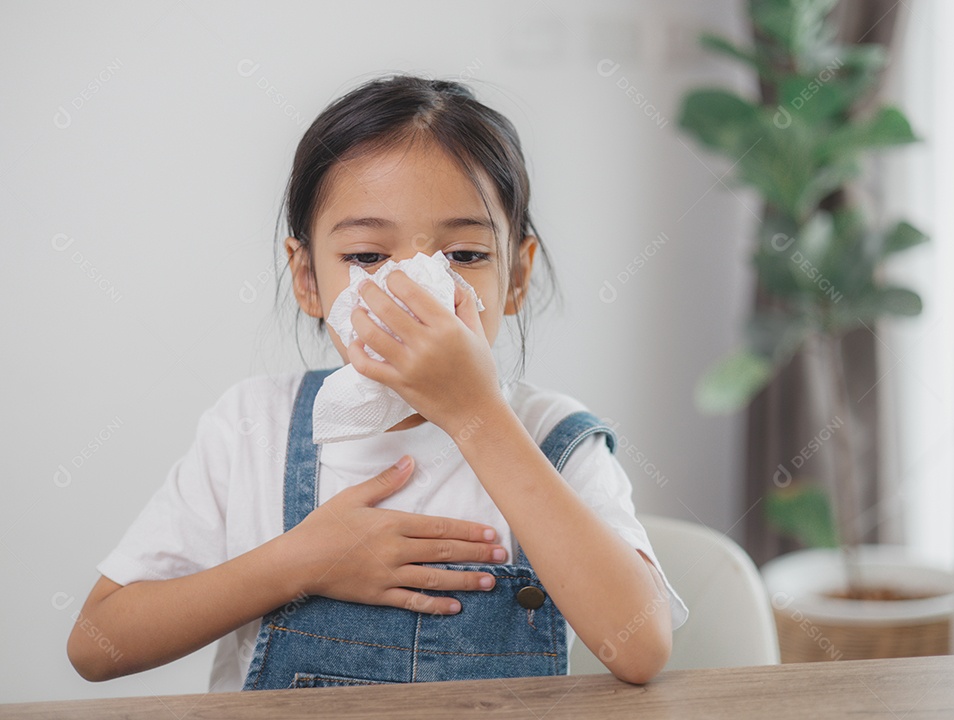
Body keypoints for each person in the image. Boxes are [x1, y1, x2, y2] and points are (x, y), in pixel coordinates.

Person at [67, 74, 689, 692]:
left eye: (464, 256)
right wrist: (299, 563)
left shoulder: (556, 437)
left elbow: (639, 647)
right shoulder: (250, 427)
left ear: (517, 277)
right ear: (307, 276)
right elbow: (99, 644)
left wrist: (476, 412)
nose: (417, 290)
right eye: (367, 257)